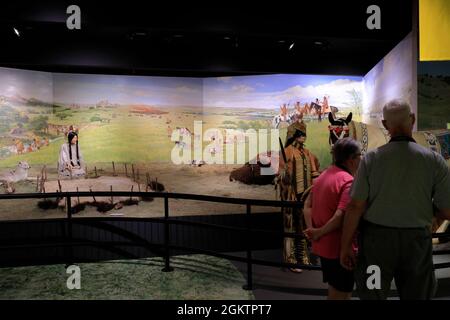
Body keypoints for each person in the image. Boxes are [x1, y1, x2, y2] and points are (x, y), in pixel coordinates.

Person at [340, 99, 450, 300]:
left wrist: (346, 245)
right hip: (416, 243)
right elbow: (447, 210)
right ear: (413, 119)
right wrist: (432, 219)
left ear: (384, 124)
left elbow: (355, 206)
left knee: (373, 293)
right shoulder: (434, 161)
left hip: (376, 245)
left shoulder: (371, 160)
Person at [303, 138, 361, 299]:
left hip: (323, 247)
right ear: (351, 159)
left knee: (334, 289)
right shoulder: (348, 181)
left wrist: (313, 231)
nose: (361, 159)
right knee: (343, 293)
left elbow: (307, 206)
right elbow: (340, 216)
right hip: (339, 248)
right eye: (359, 155)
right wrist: (318, 232)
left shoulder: (323, 176)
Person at [279, 122, 320, 272]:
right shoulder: (286, 152)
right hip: (290, 195)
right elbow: (279, 175)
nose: (303, 136)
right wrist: (284, 175)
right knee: (290, 226)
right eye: (299, 134)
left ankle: (303, 255)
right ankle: (290, 258)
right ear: (293, 135)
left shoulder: (308, 153)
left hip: (306, 197)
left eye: (304, 134)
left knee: (303, 225)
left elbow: (314, 173)